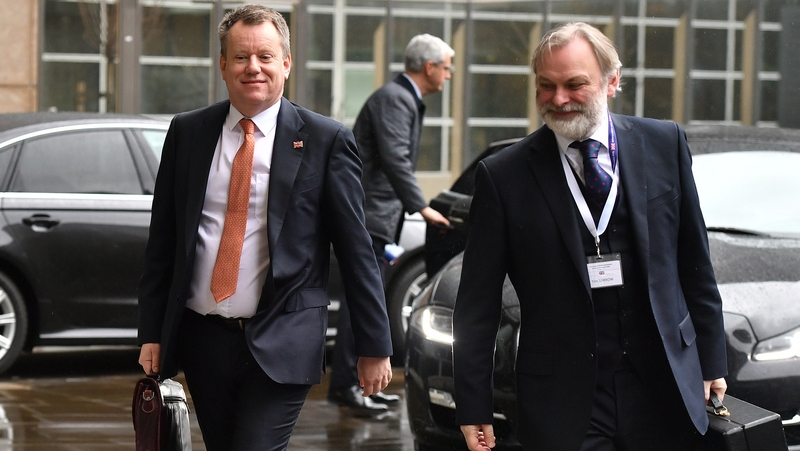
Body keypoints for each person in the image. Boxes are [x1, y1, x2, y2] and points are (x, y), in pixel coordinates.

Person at [452, 22, 728, 451]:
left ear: (612, 81)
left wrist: (712, 360)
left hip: (664, 389)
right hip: (564, 403)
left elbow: (695, 263)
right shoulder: (502, 176)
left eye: (574, 84)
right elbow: (476, 305)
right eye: (546, 86)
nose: (558, 99)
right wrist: (473, 406)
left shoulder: (665, 143)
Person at [136, 5, 393, 450]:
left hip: (284, 338)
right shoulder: (189, 132)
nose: (252, 67)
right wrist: (152, 333)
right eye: (240, 57)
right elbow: (163, 241)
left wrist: (375, 345)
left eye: (266, 56)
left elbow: (356, 250)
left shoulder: (325, 140)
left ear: (286, 64)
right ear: (222, 64)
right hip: (204, 339)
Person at [327, 33, 454, 414]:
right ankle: (347, 385)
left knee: (369, 302)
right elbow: (395, 159)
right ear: (429, 67)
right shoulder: (396, 100)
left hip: (377, 216)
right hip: (369, 217)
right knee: (361, 302)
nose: (448, 76)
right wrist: (422, 207)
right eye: (446, 68)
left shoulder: (402, 99)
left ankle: (360, 386)